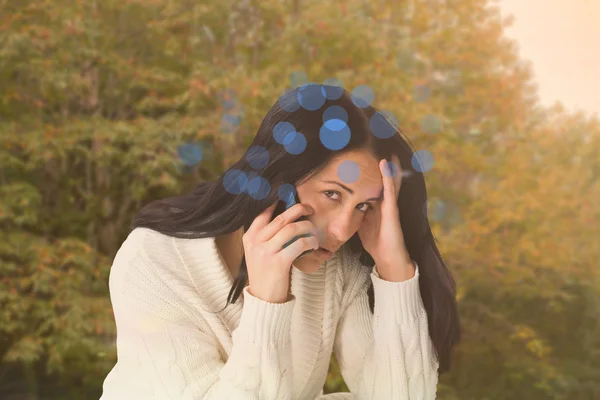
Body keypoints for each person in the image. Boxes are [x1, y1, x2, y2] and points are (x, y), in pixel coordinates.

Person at [99, 84, 461, 399]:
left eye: (364, 205)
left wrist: (394, 268)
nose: (342, 230)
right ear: (277, 174)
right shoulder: (154, 261)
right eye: (333, 194)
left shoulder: (336, 263)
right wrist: (268, 300)